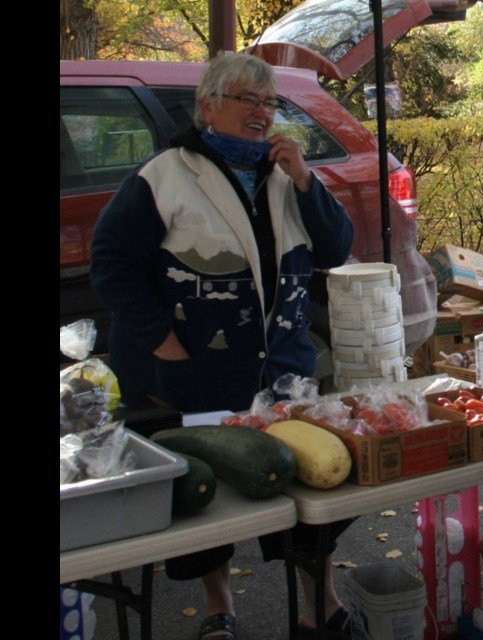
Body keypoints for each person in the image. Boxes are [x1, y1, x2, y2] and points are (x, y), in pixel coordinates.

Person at [91, 52, 355, 640]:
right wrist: (161, 341)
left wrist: (307, 180)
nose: (261, 114)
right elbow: (111, 262)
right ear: (209, 106)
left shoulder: (287, 174)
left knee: (309, 488)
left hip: (283, 370)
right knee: (207, 500)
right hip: (198, 374)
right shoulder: (166, 175)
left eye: (269, 103)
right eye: (246, 100)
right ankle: (220, 608)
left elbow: (337, 249)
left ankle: (321, 604)